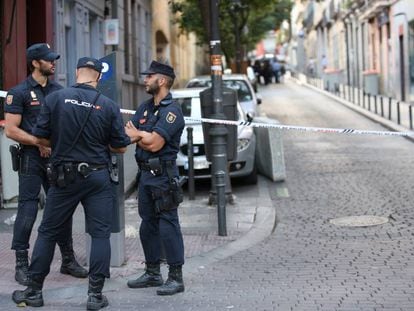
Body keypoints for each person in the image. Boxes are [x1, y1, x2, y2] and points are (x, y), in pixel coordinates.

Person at [11, 57, 131, 310]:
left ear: (77, 72)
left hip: (65, 177)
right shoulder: (108, 106)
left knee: (48, 232)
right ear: (98, 77)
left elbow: (41, 137)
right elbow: (120, 146)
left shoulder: (55, 99)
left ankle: (34, 292)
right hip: (98, 177)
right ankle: (95, 296)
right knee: (99, 235)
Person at [4, 43, 87, 286]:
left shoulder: (59, 92)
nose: (53, 63)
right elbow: (11, 130)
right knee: (28, 209)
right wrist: (38, 142)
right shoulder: (18, 92)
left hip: (57, 158)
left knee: (62, 208)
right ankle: (22, 263)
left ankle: (68, 259)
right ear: (35, 63)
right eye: (48, 60)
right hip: (30, 158)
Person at [125, 60, 185, 296]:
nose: (145, 80)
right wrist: (140, 135)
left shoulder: (172, 112)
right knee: (147, 225)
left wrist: (138, 134)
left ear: (161, 81)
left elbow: (154, 143)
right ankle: (152, 272)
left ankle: (175, 277)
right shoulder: (145, 107)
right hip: (145, 176)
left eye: (149, 77)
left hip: (163, 175)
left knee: (168, 224)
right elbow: (127, 135)